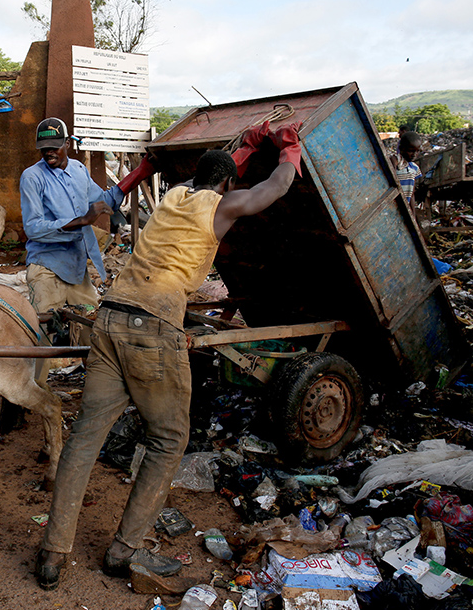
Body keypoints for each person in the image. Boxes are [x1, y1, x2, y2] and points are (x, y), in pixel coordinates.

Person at [33, 121, 302, 591]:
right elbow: (275, 188)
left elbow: (217, 172)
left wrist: (250, 144)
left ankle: (53, 553)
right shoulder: (224, 206)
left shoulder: (176, 195)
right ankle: (125, 550)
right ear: (226, 186)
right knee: (169, 438)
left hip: (111, 318)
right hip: (153, 327)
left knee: (84, 439)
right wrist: (289, 148)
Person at [19, 117, 154, 316]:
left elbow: (105, 201)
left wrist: (141, 172)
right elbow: (33, 227)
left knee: (91, 323)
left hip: (76, 267)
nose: (49, 153)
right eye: (44, 148)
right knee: (45, 330)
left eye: (54, 147)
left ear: (67, 143)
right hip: (46, 267)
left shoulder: (79, 170)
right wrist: (82, 220)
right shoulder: (32, 177)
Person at [390, 130, 424, 214]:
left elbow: (411, 194)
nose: (414, 154)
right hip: (391, 208)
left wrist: (413, 215)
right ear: (401, 149)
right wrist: (394, 161)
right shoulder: (395, 162)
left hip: (403, 210)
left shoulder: (414, 168)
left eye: (417, 151)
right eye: (411, 151)